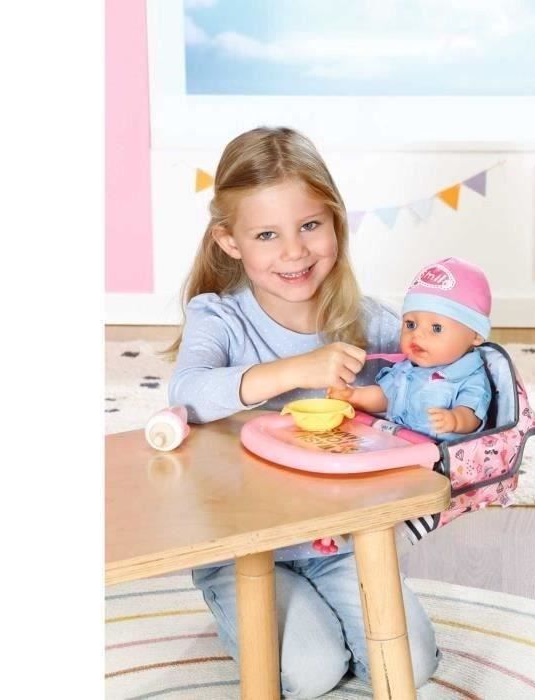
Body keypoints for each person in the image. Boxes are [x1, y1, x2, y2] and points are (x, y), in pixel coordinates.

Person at [166, 126, 439, 698]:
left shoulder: (368, 321)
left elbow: (431, 374)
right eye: (267, 234)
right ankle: (233, 607)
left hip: (341, 542)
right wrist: (296, 370)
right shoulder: (219, 318)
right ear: (230, 241)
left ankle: (313, 616)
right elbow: (187, 393)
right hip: (247, 547)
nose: (294, 251)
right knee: (311, 673)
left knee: (409, 666)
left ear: (335, 223)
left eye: (310, 225)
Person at [329, 257, 493, 441]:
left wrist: (455, 419)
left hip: (440, 453)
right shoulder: (406, 369)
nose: (417, 335)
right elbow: (385, 397)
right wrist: (354, 395)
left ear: (476, 335)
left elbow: (472, 413)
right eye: (411, 324)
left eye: (436, 328)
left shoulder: (469, 377)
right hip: (401, 444)